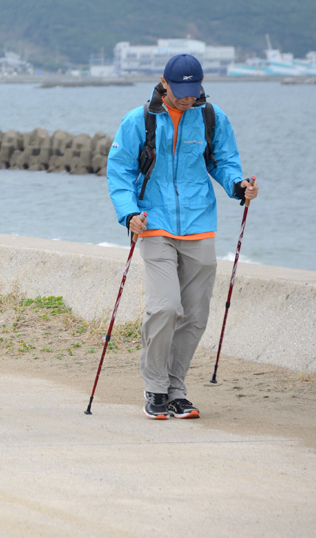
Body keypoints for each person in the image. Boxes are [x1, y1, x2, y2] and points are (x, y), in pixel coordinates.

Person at [107, 53, 258, 420]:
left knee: (194, 315)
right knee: (164, 307)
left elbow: (224, 161)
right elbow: (120, 171)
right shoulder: (138, 120)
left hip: (199, 223)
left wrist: (238, 186)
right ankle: (155, 387)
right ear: (164, 82)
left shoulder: (210, 117)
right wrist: (128, 214)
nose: (188, 98)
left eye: (194, 90)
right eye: (181, 91)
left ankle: (176, 390)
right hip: (154, 222)